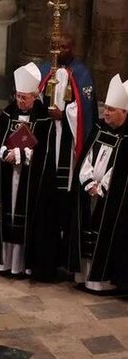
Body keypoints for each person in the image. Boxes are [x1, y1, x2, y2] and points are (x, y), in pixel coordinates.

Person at [0, 63, 54, 277]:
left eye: (24, 97)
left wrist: (19, 155)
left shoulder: (43, 119)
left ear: (35, 96)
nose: (20, 101)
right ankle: (3, 261)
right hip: (8, 176)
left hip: (29, 179)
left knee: (25, 218)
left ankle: (22, 264)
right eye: (17, 96)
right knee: (6, 214)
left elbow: (45, 153)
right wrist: (5, 152)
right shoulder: (7, 113)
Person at [38, 33, 98, 271]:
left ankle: (67, 254)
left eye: (64, 46)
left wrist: (64, 115)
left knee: (66, 195)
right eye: (55, 46)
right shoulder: (44, 69)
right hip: (48, 137)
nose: (59, 50)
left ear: (72, 48)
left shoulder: (82, 74)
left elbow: (85, 110)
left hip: (69, 143)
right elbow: (35, 98)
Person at [69, 74, 128, 293]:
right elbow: (87, 158)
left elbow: (120, 172)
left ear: (125, 112)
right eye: (106, 108)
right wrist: (88, 182)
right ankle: (83, 275)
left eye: (111, 110)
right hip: (90, 190)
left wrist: (102, 186)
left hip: (109, 197)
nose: (105, 112)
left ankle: (101, 281)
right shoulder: (99, 128)